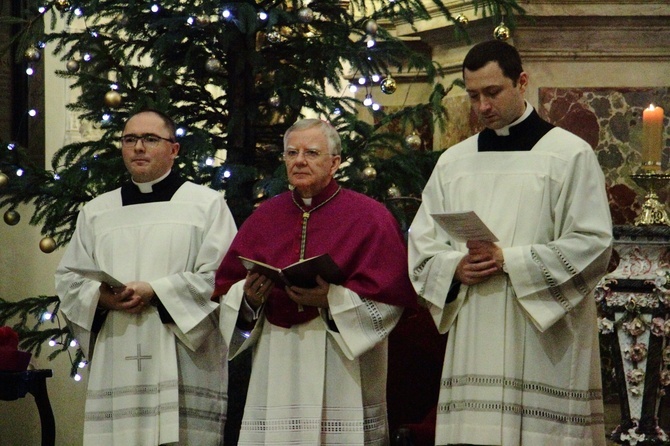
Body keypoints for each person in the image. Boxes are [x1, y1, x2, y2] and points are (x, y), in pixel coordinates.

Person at [407, 40, 613, 445]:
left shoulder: (568, 155)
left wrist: (510, 260)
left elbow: (593, 244)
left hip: (543, 342)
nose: (482, 106)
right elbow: (423, 245)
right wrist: (454, 269)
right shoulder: (454, 162)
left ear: (522, 82)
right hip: (475, 336)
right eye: (473, 95)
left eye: (492, 92)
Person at [213, 118, 417, 445]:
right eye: (292, 153)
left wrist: (332, 300)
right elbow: (228, 289)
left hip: (341, 359)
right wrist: (248, 297)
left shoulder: (370, 217)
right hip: (276, 357)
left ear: (334, 162)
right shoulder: (264, 217)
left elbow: (390, 300)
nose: (299, 160)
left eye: (311, 153)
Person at [55, 109, 237, 445]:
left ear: (174, 149)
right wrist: (101, 297)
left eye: (150, 139)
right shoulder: (97, 211)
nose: (138, 147)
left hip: (183, 358)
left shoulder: (206, 205)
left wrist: (156, 291)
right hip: (117, 352)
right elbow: (69, 279)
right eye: (130, 139)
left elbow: (223, 278)